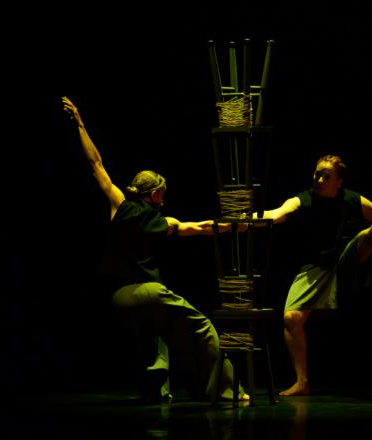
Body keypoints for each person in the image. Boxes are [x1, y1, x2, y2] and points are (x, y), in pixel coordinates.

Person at [61, 96, 247, 403]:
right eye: (162, 192)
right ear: (156, 193)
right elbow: (201, 227)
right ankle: (227, 391)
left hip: (118, 298)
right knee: (201, 327)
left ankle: (155, 393)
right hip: (147, 290)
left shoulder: (119, 205)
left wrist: (80, 124)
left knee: (153, 331)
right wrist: (236, 226)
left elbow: (96, 164)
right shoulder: (165, 221)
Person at [254, 154, 372, 396]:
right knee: (291, 318)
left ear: (339, 181)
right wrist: (250, 217)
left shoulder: (351, 198)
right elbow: (278, 214)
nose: (320, 179)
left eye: (327, 176)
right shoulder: (305, 198)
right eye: (317, 174)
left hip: (345, 258)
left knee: (367, 235)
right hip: (315, 265)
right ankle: (302, 382)